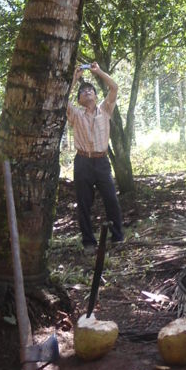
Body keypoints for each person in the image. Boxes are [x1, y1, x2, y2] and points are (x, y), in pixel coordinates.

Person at [67, 62, 124, 252]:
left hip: (101, 161)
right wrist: (75, 78)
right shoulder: (75, 114)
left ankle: (117, 237)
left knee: (111, 199)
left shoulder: (105, 109)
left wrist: (98, 72)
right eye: (83, 92)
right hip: (82, 161)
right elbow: (62, 98)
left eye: (91, 90)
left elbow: (114, 87)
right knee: (83, 203)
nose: (87, 92)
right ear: (79, 100)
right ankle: (89, 242)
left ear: (96, 95)